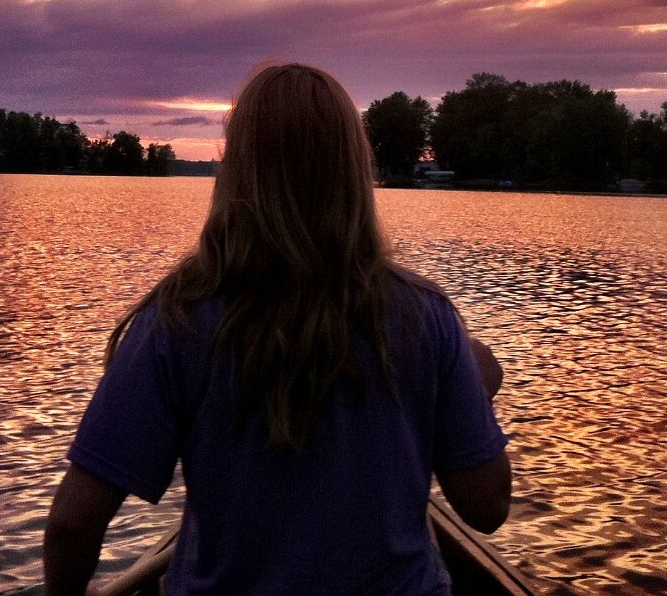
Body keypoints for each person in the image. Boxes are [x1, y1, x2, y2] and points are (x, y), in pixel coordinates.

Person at [44, 62, 511, 595]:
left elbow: (72, 524)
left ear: (237, 170)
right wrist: (467, 386)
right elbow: (488, 508)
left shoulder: (175, 319)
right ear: (353, 171)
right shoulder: (426, 316)